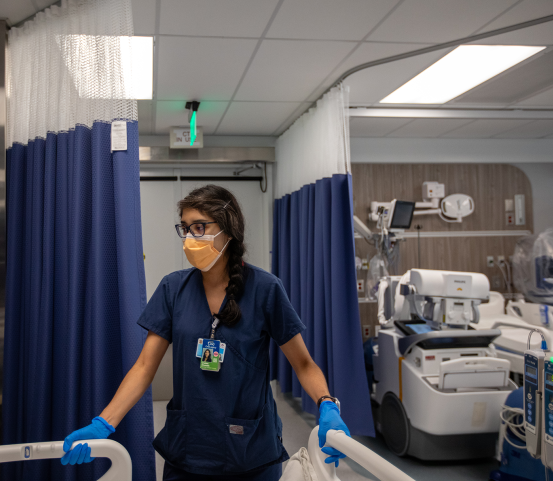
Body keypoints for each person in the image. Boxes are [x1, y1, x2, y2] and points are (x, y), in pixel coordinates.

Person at [61, 185, 350, 480]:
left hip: (251, 453)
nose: (189, 238)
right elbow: (145, 366)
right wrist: (104, 423)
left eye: (199, 227)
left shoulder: (265, 289)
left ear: (228, 228)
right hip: (189, 450)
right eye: (185, 228)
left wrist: (327, 405)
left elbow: (303, 363)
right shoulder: (173, 289)